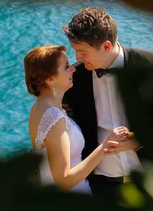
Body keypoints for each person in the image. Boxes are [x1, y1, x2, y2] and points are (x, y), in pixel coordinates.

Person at [62, 7, 153, 198]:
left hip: (152, 181)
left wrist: (137, 141)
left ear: (106, 46)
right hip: (101, 184)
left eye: (83, 52)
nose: (77, 58)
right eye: (76, 51)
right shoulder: (74, 79)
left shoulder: (151, 65)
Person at [24, 45, 128, 194]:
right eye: (66, 67)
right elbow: (64, 180)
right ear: (50, 79)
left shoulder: (39, 107)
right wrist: (104, 146)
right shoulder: (54, 118)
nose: (73, 69)